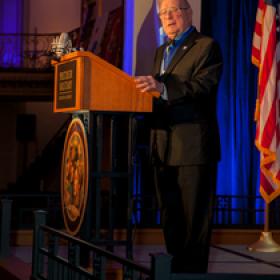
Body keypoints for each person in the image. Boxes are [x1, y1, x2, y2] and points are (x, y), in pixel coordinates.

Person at [135, 0, 223, 273]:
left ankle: (192, 275)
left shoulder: (206, 46)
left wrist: (162, 88)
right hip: (163, 146)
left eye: (174, 11)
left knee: (194, 220)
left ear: (188, 12)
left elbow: (201, 87)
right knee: (171, 217)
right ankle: (173, 272)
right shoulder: (161, 50)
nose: (168, 17)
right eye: (163, 13)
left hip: (193, 147)